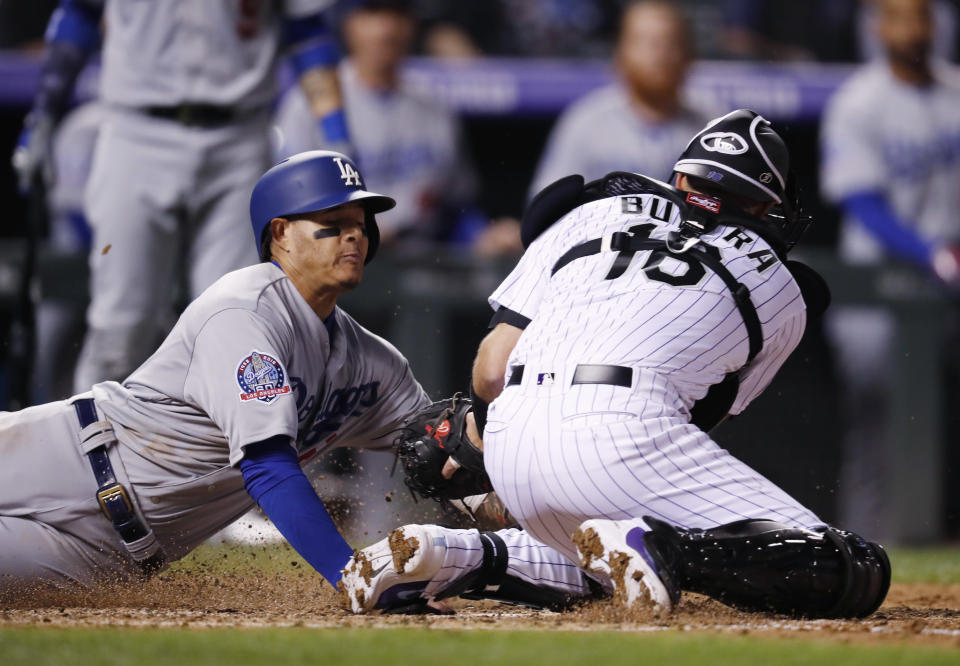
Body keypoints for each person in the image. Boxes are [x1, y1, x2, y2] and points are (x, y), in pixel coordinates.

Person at [342, 110, 890, 619]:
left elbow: (491, 369)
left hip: (512, 429)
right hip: (628, 428)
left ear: (681, 181)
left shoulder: (590, 210)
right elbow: (701, 418)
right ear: (766, 207)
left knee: (602, 557)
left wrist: (485, 458)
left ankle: (452, 552)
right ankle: (665, 548)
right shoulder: (783, 285)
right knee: (852, 566)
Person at [12, 0, 355, 393]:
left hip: (239, 139)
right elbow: (80, 14)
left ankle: (228, 451)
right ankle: (94, 446)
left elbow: (306, 30)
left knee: (236, 322)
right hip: (136, 132)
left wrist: (336, 131)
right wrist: (44, 113)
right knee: (121, 326)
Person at [819, 0, 960, 539]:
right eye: (900, 15)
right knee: (876, 428)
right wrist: (930, 252)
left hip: (944, 288)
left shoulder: (953, 91)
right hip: (876, 290)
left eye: (921, 15)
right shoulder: (860, 100)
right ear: (878, 26)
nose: (913, 28)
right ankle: (868, 544)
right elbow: (861, 201)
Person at [273, 0, 485, 248]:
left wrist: (480, 235)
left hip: (418, 261)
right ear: (347, 23)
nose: (387, 29)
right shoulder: (309, 104)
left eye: (399, 14)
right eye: (372, 13)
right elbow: (285, 211)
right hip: (337, 263)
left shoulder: (434, 107)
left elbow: (455, 208)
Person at [527, 0, 709, 197]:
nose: (659, 54)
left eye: (670, 42)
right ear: (620, 53)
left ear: (690, 55)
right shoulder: (585, 122)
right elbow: (547, 203)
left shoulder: (711, 128)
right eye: (646, 42)